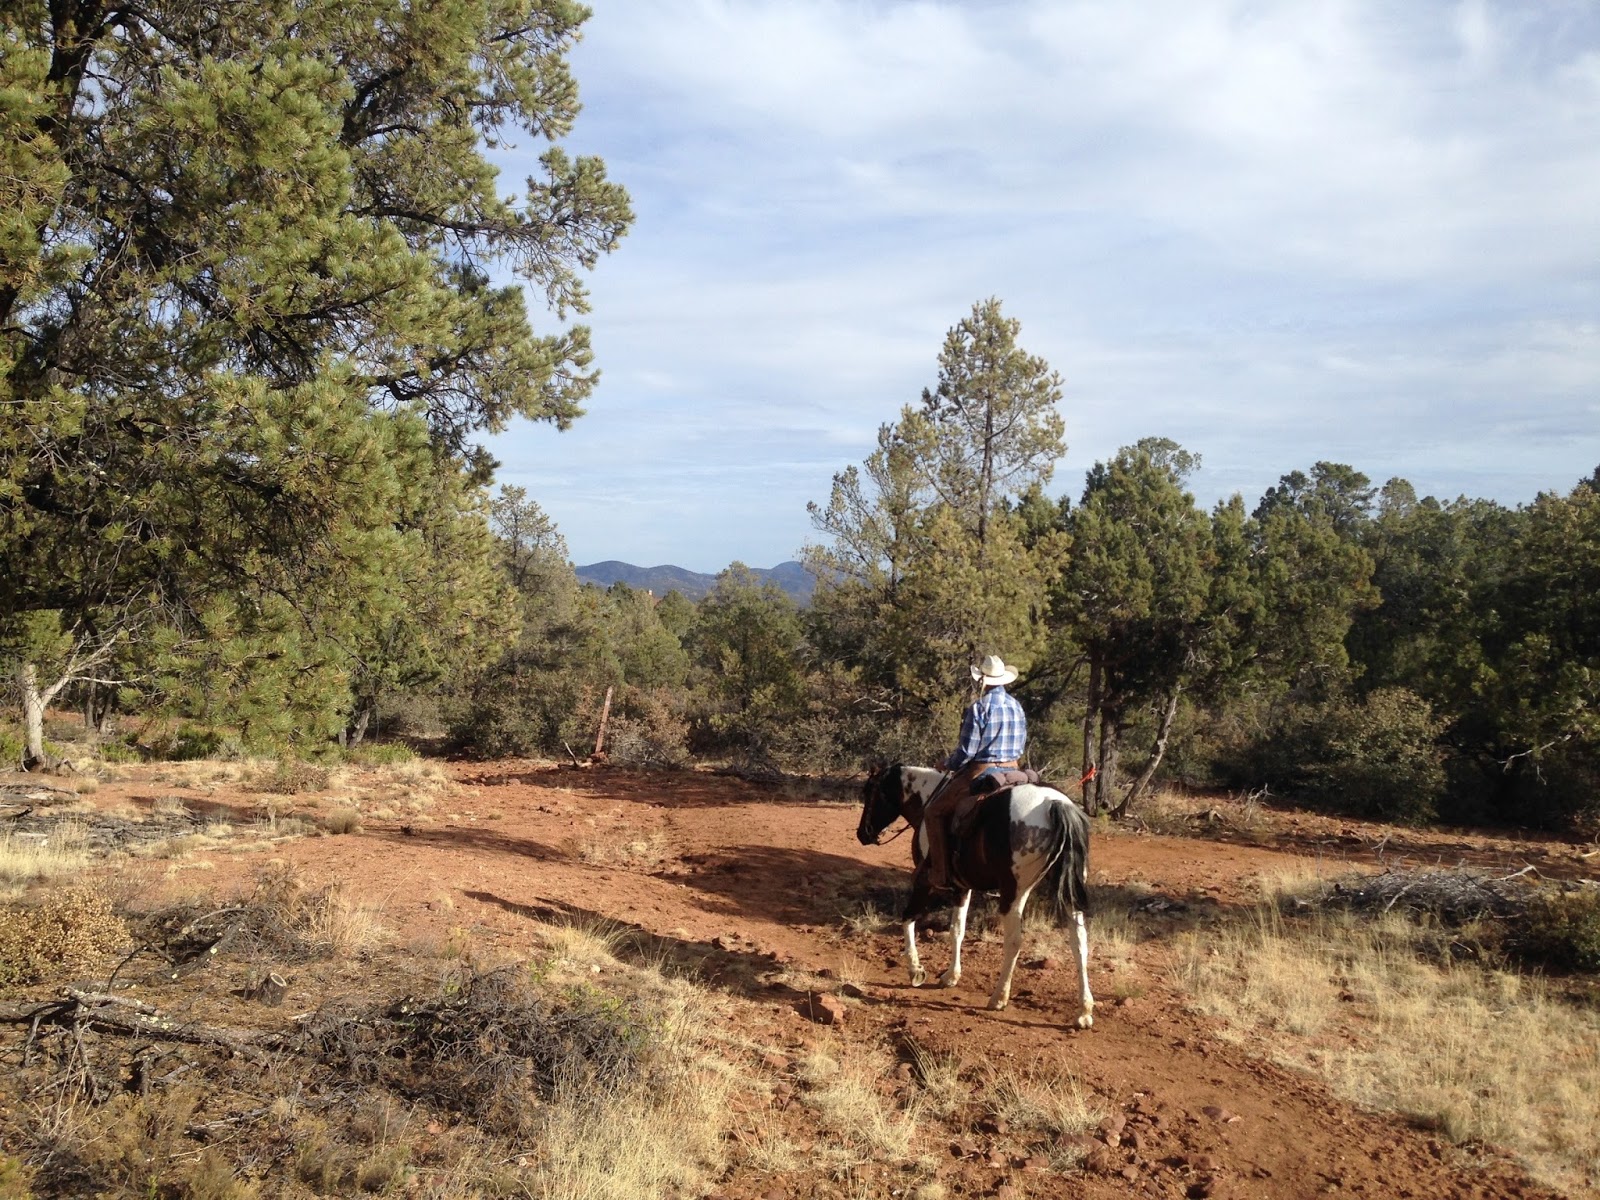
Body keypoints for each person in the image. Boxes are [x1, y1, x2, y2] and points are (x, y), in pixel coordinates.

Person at [923, 654, 1026, 889]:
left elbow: (967, 752)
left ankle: (941, 875)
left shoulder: (980, 707)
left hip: (982, 771)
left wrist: (947, 764)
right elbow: (1020, 745)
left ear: (982, 681)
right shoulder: (1016, 706)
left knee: (933, 811)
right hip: (1014, 769)